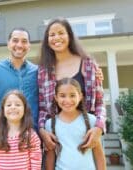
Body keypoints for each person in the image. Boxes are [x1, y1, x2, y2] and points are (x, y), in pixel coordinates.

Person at [38, 17, 106, 153]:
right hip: (57, 139)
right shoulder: (43, 70)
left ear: (69, 35)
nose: (57, 37)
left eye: (61, 33)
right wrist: (42, 131)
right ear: (47, 40)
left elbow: (100, 102)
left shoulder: (88, 64)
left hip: (86, 135)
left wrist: (99, 128)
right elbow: (43, 108)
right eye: (52, 35)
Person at [0, 28, 39, 166]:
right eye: (15, 40)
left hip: (31, 144)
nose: (19, 45)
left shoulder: (38, 72)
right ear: (8, 44)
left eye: (24, 41)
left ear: (29, 46)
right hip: (1, 143)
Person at [44, 78, 106, 170]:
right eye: (62, 96)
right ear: (56, 97)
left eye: (72, 95)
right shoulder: (50, 124)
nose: (67, 100)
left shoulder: (91, 120)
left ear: (80, 96)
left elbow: (99, 154)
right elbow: (50, 156)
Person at [0, 90, 42, 169]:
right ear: (3, 110)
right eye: (9, 105)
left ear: (25, 109)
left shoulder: (31, 136)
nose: (13, 107)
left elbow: (36, 161)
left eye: (18, 104)